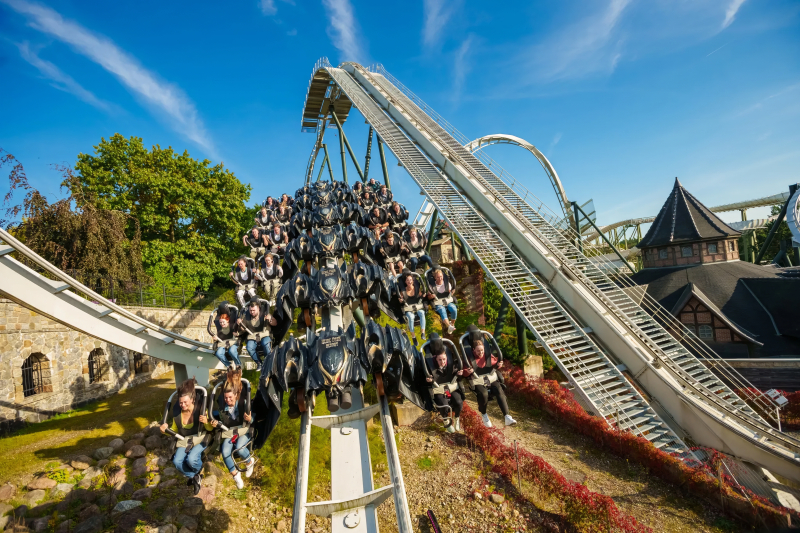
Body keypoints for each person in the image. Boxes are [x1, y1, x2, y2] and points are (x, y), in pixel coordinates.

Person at [160, 378, 212, 494]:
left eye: (185, 402)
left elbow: (210, 429)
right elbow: (174, 429)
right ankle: (195, 477)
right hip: (185, 439)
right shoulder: (178, 412)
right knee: (177, 461)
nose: (182, 405)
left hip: (200, 437)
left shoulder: (201, 410)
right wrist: (165, 429)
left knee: (191, 459)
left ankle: (195, 474)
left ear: (193, 400)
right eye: (180, 402)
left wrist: (206, 422)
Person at [208, 368, 257, 489]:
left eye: (230, 398)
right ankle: (236, 475)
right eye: (226, 398)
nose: (228, 400)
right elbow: (221, 420)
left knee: (240, 448)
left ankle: (249, 462)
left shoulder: (243, 403)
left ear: (236, 395)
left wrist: (249, 418)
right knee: (225, 452)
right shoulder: (222, 408)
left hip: (243, 430)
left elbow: (253, 419)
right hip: (230, 432)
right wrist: (215, 423)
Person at [465, 339, 516, 428]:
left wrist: (498, 365)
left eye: (482, 350)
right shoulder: (469, 358)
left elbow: (494, 363)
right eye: (478, 351)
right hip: (477, 380)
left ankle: (507, 416)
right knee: (484, 393)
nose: (480, 353)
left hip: (490, 378)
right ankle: (484, 414)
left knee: (499, 389)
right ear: (473, 350)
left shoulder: (488, 356)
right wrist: (469, 372)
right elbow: (464, 372)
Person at [425, 337, 465, 433]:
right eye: (440, 360)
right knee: (444, 405)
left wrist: (459, 375)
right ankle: (446, 420)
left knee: (459, 402)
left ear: (446, 358)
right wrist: (428, 380)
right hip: (438, 389)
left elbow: (458, 377)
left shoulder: (451, 365)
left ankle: (457, 418)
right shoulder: (429, 367)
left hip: (451, 387)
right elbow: (423, 379)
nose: (442, 362)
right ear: (436, 359)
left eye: (444, 359)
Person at [237, 298, 277, 372]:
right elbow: (243, 329)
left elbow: (275, 323)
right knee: (249, 347)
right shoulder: (247, 317)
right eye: (250, 310)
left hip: (265, 335)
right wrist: (240, 324)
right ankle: (259, 363)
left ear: (258, 309)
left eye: (254, 310)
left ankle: (268, 362)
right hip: (252, 336)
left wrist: (270, 319)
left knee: (266, 343)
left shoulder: (265, 313)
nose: (252, 312)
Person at [207, 303, 242, 369]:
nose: (222, 324)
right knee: (218, 353)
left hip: (232, 342)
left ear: (228, 320)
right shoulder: (220, 328)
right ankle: (228, 365)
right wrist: (215, 338)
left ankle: (238, 364)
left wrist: (238, 334)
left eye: (223, 322)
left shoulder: (233, 326)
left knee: (231, 351)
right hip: (223, 343)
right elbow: (218, 337)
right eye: (220, 322)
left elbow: (240, 332)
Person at [396, 271, 426, 345]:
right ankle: (413, 336)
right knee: (411, 317)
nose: (409, 281)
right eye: (407, 280)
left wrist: (424, 295)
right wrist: (400, 300)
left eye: (410, 280)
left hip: (417, 306)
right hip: (408, 308)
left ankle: (423, 333)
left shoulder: (416, 288)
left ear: (412, 281)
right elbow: (400, 300)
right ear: (405, 282)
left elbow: (421, 295)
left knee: (422, 313)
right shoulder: (403, 290)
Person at [427, 268, 457, 334]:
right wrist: (431, 296)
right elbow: (428, 298)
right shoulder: (431, 286)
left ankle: (451, 324)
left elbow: (449, 293)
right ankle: (449, 326)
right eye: (438, 277)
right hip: (438, 303)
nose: (440, 278)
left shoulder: (447, 283)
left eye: (441, 276)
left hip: (447, 301)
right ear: (435, 278)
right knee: (442, 311)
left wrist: (452, 293)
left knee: (454, 309)